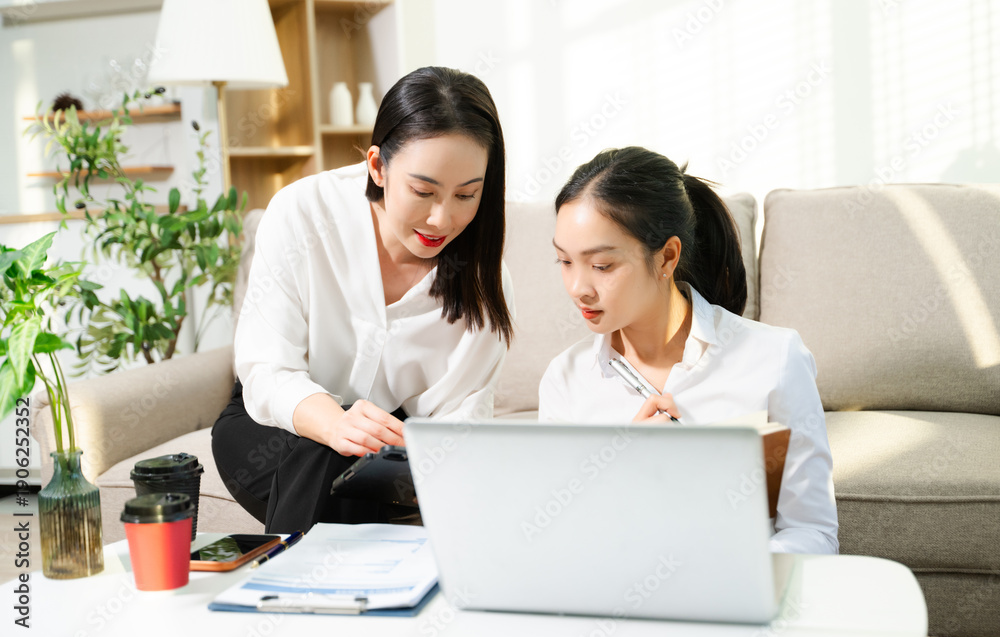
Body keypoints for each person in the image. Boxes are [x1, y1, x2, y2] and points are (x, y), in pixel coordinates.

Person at [212, 66, 515, 533]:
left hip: (390, 437)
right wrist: (336, 424)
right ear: (377, 166)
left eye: (466, 195)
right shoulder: (304, 212)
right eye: (423, 191)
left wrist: (415, 453)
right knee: (332, 454)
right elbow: (267, 371)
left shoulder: (483, 282)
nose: (442, 219)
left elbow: (459, 421)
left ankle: (294, 577)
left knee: (355, 464)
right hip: (276, 422)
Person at [538, 146, 838, 554]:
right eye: (564, 261)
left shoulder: (775, 360)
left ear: (667, 257)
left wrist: (739, 574)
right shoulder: (567, 380)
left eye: (602, 266)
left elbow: (813, 532)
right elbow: (561, 538)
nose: (578, 288)